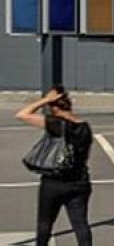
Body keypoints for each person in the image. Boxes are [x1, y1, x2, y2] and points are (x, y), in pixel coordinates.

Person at [15, 86, 94, 245]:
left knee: (45, 223)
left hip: (54, 181)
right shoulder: (85, 127)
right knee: (80, 224)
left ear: (55, 107)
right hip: (79, 180)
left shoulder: (56, 124)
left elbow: (22, 114)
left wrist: (45, 100)